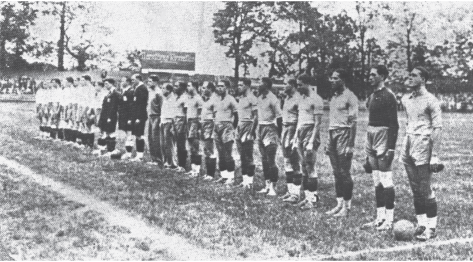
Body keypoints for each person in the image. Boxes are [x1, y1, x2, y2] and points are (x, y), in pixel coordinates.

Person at [401, 66, 442, 241]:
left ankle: (431, 228)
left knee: (425, 188)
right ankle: (422, 224)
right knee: (415, 188)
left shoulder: (431, 100)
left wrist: (435, 155)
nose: (410, 78)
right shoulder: (406, 99)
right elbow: (408, 122)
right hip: (409, 142)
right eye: (409, 75)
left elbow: (438, 128)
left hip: (423, 144)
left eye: (414, 76)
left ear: (423, 79)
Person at [361, 65, 399, 231]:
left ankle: (389, 220)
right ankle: (380, 217)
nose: (369, 77)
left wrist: (390, 148)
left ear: (382, 76)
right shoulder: (371, 96)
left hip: (383, 135)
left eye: (373, 75)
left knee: (386, 180)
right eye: (369, 74)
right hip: (371, 134)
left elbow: (394, 125)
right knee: (376, 181)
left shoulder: (389, 96)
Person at [325, 69, 358, 217]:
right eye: (331, 78)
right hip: (333, 134)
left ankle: (347, 207)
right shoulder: (334, 97)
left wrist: (350, 145)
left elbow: (353, 123)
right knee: (336, 172)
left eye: (335, 78)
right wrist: (328, 139)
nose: (332, 81)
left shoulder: (350, 97)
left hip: (344, 134)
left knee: (344, 172)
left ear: (343, 80)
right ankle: (339, 204)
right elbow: (332, 120)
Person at [292, 74, 323, 210]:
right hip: (300, 132)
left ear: (307, 84)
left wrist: (311, 141)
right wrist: (295, 137)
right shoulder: (301, 99)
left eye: (300, 85)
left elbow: (317, 123)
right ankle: (307, 197)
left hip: (310, 132)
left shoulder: (316, 99)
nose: (298, 87)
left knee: (310, 166)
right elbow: (300, 119)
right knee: (303, 166)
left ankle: (313, 199)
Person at [256, 77, 282, 196]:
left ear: (266, 85)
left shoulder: (273, 99)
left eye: (260, 83)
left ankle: (273, 187)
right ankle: (266, 185)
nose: (258, 85)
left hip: (270, 129)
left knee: (270, 159)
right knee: (264, 160)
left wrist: (280, 134)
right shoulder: (260, 98)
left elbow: (279, 117)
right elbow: (258, 116)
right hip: (260, 129)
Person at [278, 79, 301, 202]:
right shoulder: (286, 98)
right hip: (285, 128)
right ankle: (290, 190)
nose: (283, 86)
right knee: (286, 160)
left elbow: (300, 119)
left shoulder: (298, 98)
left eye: (285, 83)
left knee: (294, 161)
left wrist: (295, 137)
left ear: (292, 85)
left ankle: (296, 194)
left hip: (293, 129)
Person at [213, 80, 239, 185]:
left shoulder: (231, 99)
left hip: (227, 127)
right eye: (218, 86)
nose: (219, 88)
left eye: (222, 86)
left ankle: (231, 177)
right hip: (217, 126)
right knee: (220, 153)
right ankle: (224, 176)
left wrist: (232, 127)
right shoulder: (216, 99)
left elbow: (237, 115)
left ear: (226, 87)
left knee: (228, 153)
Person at [235, 78, 258, 189]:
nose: (238, 87)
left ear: (247, 86)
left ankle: (250, 181)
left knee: (248, 155)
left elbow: (256, 117)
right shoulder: (241, 98)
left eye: (241, 85)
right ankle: (245, 181)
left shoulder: (252, 98)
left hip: (248, 127)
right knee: (242, 155)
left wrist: (252, 131)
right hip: (240, 127)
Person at [97, 78, 122, 157]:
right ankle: (107, 149)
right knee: (106, 132)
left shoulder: (116, 93)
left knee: (110, 132)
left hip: (111, 116)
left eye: (107, 84)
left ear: (112, 84)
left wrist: (111, 116)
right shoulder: (108, 93)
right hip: (105, 115)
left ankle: (111, 150)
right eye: (104, 84)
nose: (105, 85)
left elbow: (116, 107)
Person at [185, 81, 203, 176]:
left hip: (195, 122)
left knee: (195, 146)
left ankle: (197, 169)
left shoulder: (198, 99)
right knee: (191, 147)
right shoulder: (189, 98)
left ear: (195, 87)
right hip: (189, 122)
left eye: (189, 86)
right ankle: (193, 169)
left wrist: (198, 126)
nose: (187, 88)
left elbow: (200, 114)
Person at [200, 82, 217, 181]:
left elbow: (216, 116)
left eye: (204, 88)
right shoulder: (205, 100)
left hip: (209, 125)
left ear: (210, 89)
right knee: (206, 150)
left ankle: (211, 174)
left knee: (210, 150)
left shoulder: (214, 100)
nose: (202, 90)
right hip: (203, 124)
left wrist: (212, 130)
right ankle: (207, 173)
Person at [130, 74, 149, 161]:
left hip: (140, 116)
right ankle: (139, 154)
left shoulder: (142, 88)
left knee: (139, 135)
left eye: (133, 80)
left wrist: (139, 117)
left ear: (138, 79)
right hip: (135, 115)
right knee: (137, 134)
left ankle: (140, 155)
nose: (132, 81)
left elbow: (142, 104)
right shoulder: (137, 87)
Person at [160, 83, 178, 169]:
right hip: (163, 121)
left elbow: (174, 114)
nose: (162, 90)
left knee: (169, 144)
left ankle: (172, 163)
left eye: (164, 88)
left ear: (169, 90)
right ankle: (166, 161)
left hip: (169, 122)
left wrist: (172, 126)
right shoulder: (165, 99)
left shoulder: (173, 99)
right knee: (163, 143)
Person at [147, 75, 164, 166]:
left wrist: (161, 119)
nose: (148, 83)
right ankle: (153, 158)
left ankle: (158, 159)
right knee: (150, 137)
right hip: (150, 116)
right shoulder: (150, 91)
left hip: (157, 117)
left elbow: (162, 107)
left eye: (150, 81)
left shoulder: (159, 92)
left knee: (155, 138)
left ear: (155, 82)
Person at [118, 77, 135, 159]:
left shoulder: (131, 92)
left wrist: (130, 118)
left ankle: (128, 153)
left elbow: (131, 106)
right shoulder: (124, 91)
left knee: (129, 134)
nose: (121, 82)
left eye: (123, 81)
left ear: (128, 82)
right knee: (126, 133)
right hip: (123, 116)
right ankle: (127, 152)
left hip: (128, 117)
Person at [173, 81, 189, 172]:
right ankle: (178, 163)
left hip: (181, 121)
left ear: (182, 88)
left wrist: (185, 124)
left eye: (176, 86)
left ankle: (182, 165)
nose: (174, 88)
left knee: (181, 144)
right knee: (176, 143)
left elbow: (187, 112)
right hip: (175, 120)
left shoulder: (185, 97)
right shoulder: (176, 97)